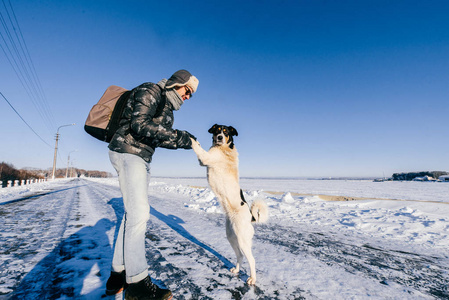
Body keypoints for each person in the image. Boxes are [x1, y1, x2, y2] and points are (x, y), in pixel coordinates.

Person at [106, 70, 199, 300]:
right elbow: (139, 124)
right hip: (128, 151)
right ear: (177, 84)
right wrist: (181, 137)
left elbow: (158, 136)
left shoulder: (167, 107)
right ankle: (137, 284)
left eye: (191, 95)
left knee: (131, 216)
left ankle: (118, 274)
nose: (187, 97)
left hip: (141, 156)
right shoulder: (151, 90)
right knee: (139, 214)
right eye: (187, 91)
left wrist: (183, 141)